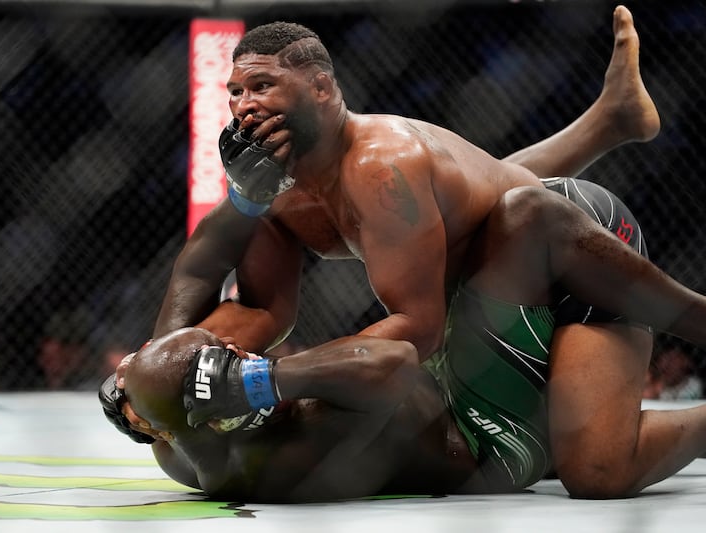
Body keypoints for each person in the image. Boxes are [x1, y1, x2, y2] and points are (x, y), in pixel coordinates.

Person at [103, 6, 706, 500]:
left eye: (262, 86)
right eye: (235, 91)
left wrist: (252, 381)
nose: (244, 104)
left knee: (597, 470)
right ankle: (609, 121)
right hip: (489, 270)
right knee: (485, 211)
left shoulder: (380, 168)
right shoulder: (271, 186)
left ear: (321, 88)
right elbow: (261, 311)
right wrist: (150, 373)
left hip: (568, 246)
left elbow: (417, 332)